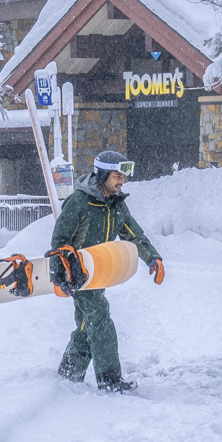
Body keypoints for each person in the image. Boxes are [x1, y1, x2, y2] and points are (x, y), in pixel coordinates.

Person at [53, 149, 165, 393]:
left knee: (86, 325)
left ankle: (68, 374)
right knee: (100, 318)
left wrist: (153, 258)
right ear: (103, 174)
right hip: (78, 273)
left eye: (123, 177)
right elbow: (59, 239)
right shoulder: (80, 202)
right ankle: (110, 380)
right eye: (117, 176)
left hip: (101, 272)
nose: (122, 181)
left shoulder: (116, 205)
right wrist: (58, 274)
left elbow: (134, 235)